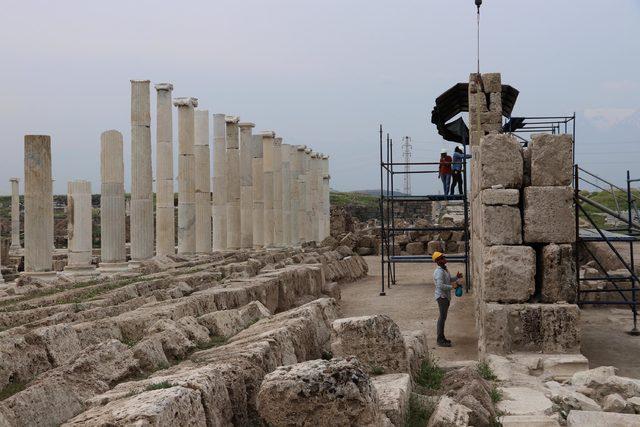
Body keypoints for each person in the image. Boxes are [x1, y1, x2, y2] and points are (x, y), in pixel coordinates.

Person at [432, 251, 462, 347]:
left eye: (443, 257)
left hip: (445, 296)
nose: (444, 258)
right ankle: (440, 339)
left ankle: (442, 337)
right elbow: (440, 286)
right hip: (442, 297)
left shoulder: (444, 269)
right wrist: (453, 286)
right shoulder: (439, 272)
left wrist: (456, 277)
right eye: (441, 258)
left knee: (443, 317)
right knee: (442, 318)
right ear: (438, 261)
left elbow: (448, 279)